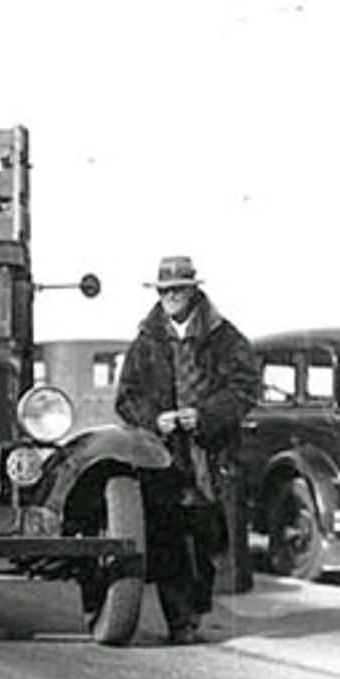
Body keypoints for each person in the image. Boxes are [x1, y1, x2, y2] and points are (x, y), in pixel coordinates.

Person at [114, 255, 258, 645]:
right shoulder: (145, 342)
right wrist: (154, 418)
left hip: (212, 453)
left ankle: (198, 606)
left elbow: (245, 389)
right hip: (161, 454)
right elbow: (126, 398)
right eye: (164, 291)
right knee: (168, 535)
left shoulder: (226, 338)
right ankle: (181, 620)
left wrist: (207, 415)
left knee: (211, 536)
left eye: (178, 289)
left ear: (194, 290)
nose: (171, 297)